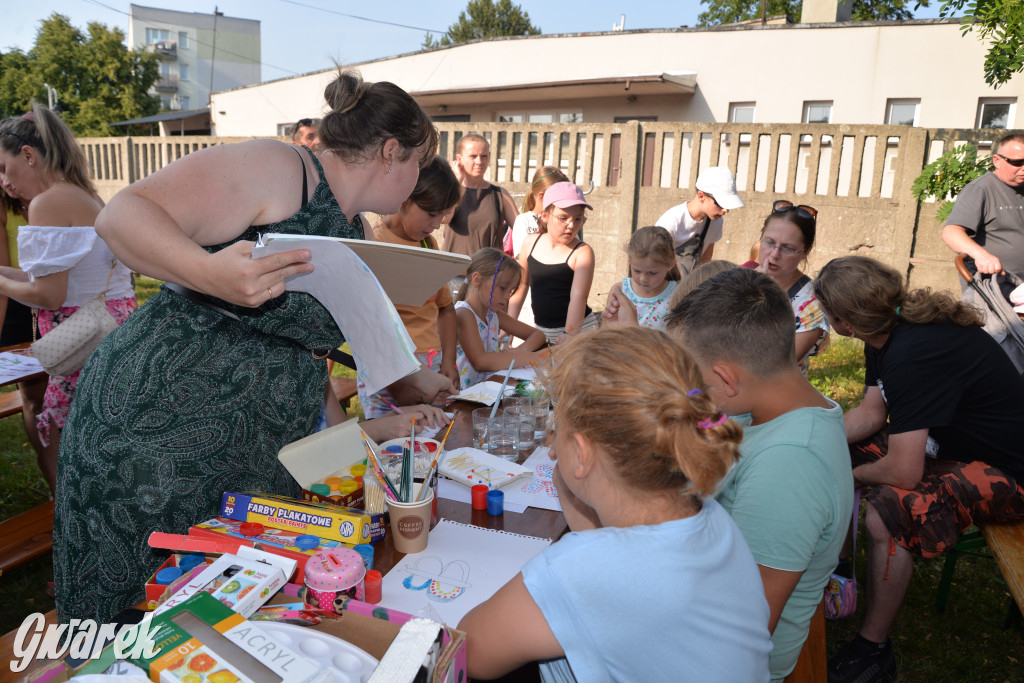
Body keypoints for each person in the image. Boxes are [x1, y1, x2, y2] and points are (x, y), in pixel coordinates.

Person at [53, 69, 456, 623]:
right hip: (155, 431)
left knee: (215, 624)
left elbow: (305, 339)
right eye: (416, 162)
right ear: (391, 152)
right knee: (132, 620)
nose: (417, 180)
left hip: (248, 454)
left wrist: (406, 381)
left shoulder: (353, 228)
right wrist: (208, 272)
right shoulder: (281, 167)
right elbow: (121, 215)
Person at [459, 327, 773, 682]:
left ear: (581, 452)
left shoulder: (584, 572)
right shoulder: (708, 515)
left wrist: (566, 466)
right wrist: (568, 467)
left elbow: (470, 652)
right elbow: (602, 541)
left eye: (554, 424)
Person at [813, 256, 1024, 683]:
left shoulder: (912, 353)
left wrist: (846, 475)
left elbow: (904, 471)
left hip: (1011, 472)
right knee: (832, 454)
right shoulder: (888, 332)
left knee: (890, 512)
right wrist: (815, 442)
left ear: (844, 323)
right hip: (957, 447)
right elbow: (872, 415)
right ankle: (839, 569)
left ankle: (873, 649)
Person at [666, 267, 853, 682]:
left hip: (715, 659)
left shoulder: (791, 463)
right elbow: (710, 421)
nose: (690, 391)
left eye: (693, 377)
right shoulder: (774, 405)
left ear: (728, 379)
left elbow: (743, 628)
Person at [0, 105, 139, 495]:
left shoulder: (47, 203)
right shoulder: (82, 193)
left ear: (28, 155)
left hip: (83, 338)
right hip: (107, 329)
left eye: (4, 168)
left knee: (74, 451)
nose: (3, 182)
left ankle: (78, 528)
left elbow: (48, 293)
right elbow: (49, 277)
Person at [358, 157, 462, 417]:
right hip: (389, 377)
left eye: (443, 215)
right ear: (403, 199)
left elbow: (446, 308)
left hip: (433, 367)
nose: (437, 224)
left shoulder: (429, 245)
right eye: (431, 213)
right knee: (395, 451)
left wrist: (448, 360)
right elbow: (367, 327)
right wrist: (402, 389)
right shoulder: (374, 245)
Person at [509, 182, 598, 344]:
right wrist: (507, 327)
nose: (571, 225)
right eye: (563, 218)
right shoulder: (530, 243)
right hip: (543, 331)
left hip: (577, 331)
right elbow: (521, 286)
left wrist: (570, 335)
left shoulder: (582, 252)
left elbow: (578, 298)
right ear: (544, 216)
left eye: (578, 219)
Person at [942, 133, 1024, 292]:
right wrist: (980, 255)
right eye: (1017, 162)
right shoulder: (980, 189)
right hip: (996, 288)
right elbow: (951, 232)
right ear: (997, 161)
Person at [454, 248, 547, 389]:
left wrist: (520, 350)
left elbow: (538, 334)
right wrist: (537, 358)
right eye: (503, 288)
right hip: (461, 400)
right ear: (477, 279)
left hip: (486, 392)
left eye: (511, 290)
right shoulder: (464, 314)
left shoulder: (493, 314)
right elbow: (481, 361)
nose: (507, 296)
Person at [755, 200, 829, 372]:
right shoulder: (740, 278)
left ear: (805, 252)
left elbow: (775, 367)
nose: (774, 255)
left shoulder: (812, 306)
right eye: (769, 242)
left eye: (787, 248)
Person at [655, 166, 744, 278]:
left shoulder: (716, 222)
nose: (725, 210)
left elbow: (705, 261)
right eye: (720, 203)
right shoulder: (671, 222)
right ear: (701, 196)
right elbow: (654, 264)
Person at [441, 133, 518, 256]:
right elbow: (444, 218)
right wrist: (457, 183)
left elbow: (522, 231)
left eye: (484, 156)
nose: (479, 161)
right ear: (459, 159)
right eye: (473, 156)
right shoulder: (450, 190)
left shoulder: (500, 195)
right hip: (453, 271)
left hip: (490, 272)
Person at [607, 225, 680, 330]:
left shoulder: (677, 295)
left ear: (670, 265)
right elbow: (607, 332)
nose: (643, 279)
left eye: (652, 273)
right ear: (630, 261)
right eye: (637, 271)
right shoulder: (619, 291)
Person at [509, 165, 568, 258]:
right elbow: (522, 256)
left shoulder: (564, 220)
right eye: (558, 198)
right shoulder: (523, 220)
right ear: (542, 196)